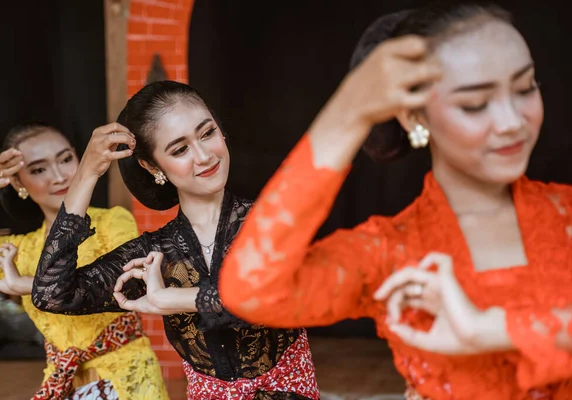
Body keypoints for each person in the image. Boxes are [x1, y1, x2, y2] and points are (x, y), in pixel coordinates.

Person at [217, 3, 572, 399]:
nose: (511, 121)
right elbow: (250, 289)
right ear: (414, 117)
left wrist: (484, 329)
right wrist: (348, 112)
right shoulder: (391, 255)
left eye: (525, 88)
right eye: (476, 103)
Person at [31, 81, 320, 400]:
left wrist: (176, 299)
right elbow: (52, 294)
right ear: (153, 166)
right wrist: (87, 174)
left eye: (207, 133)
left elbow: (288, 297)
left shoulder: (275, 220)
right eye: (180, 149)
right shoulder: (155, 253)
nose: (204, 155)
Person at [0, 122, 168, 400]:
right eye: (38, 169)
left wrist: (27, 284)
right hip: (61, 384)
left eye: (65, 159)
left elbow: (126, 284)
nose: (58, 176)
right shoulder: (18, 251)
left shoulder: (113, 220)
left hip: (130, 380)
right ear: (18, 182)